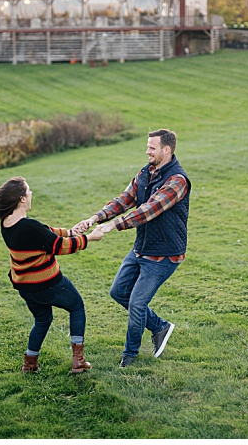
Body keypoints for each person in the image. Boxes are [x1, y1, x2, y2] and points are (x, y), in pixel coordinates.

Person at [72, 129, 190, 368]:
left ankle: (130, 356)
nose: (147, 151)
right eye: (147, 147)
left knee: (137, 304)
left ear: (166, 150)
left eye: (152, 148)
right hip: (141, 249)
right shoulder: (145, 173)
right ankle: (159, 327)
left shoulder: (177, 180)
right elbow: (124, 200)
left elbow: (149, 210)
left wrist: (112, 226)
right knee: (118, 292)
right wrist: (95, 218)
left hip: (164, 254)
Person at [0, 177, 109, 373]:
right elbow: (59, 246)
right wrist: (89, 238)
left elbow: (45, 233)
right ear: (22, 199)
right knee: (77, 306)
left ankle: (30, 363)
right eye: (29, 191)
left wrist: (70, 231)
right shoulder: (29, 226)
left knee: (42, 320)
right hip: (47, 283)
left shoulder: (7, 223)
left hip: (26, 287)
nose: (31, 194)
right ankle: (78, 360)